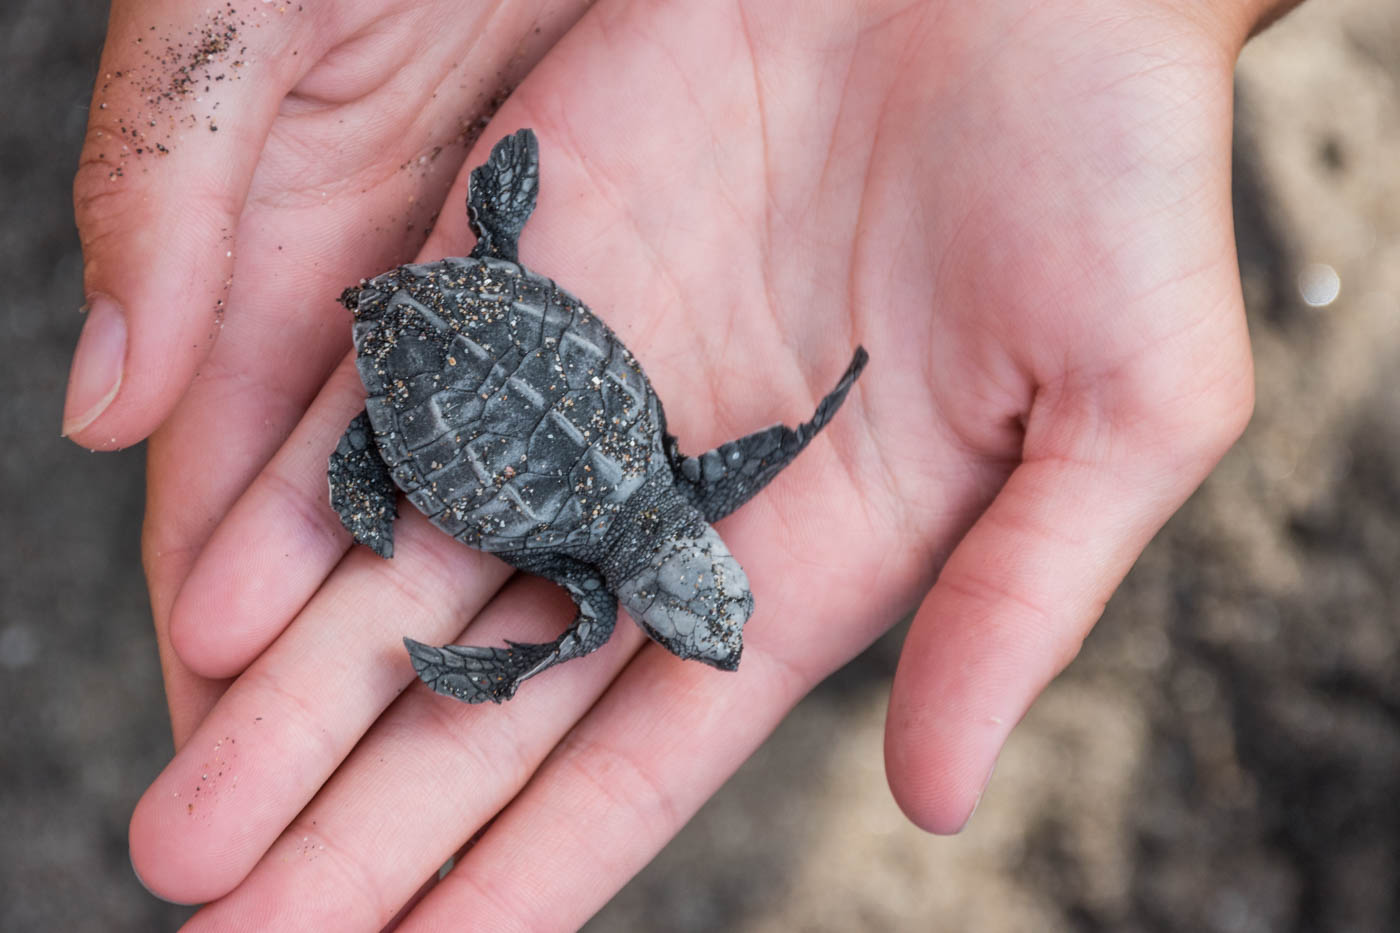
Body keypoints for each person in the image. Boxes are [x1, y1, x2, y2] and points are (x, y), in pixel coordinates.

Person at [65, 0, 1298, 924]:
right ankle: (370, 457)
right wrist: (455, 664)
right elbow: (758, 461)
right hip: (429, 377)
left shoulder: (687, 495)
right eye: (721, 617)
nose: (717, 634)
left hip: (485, 314)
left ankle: (479, 265)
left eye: (704, 622)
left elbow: (775, 444)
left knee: (451, 374)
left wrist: (831, 405)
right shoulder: (600, 598)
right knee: (364, 502)